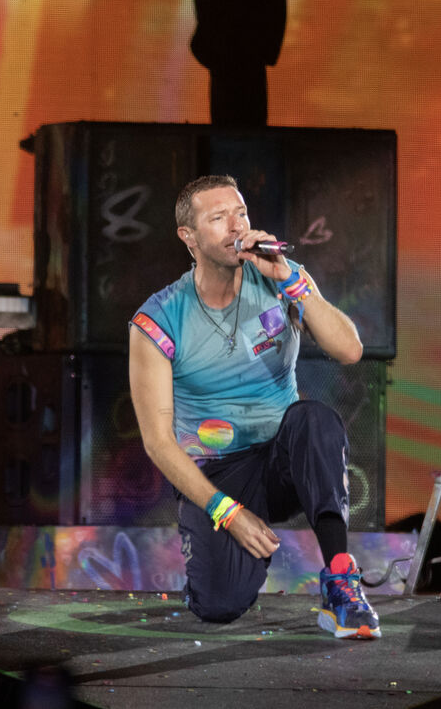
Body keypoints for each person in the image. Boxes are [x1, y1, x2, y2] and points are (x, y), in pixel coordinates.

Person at [129, 174, 380, 638]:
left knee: (314, 419)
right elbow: (158, 443)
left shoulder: (281, 278)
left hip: (282, 459)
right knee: (218, 607)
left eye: (240, 213)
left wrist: (289, 280)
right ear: (189, 237)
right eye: (218, 217)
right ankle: (208, 564)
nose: (235, 226)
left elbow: (350, 350)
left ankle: (341, 580)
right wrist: (227, 511)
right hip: (218, 473)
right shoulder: (158, 319)